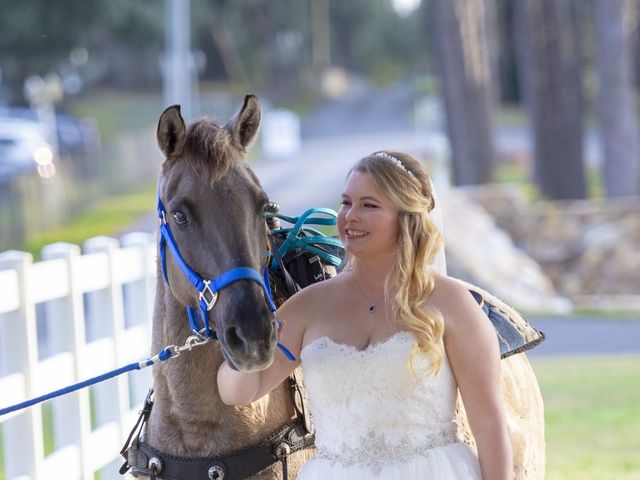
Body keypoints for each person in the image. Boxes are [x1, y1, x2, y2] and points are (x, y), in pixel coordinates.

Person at [217, 151, 513, 479]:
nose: (350, 216)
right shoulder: (309, 305)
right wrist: (246, 355)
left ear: (406, 217)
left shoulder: (451, 302)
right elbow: (239, 392)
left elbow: (488, 425)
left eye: (369, 205)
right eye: (346, 202)